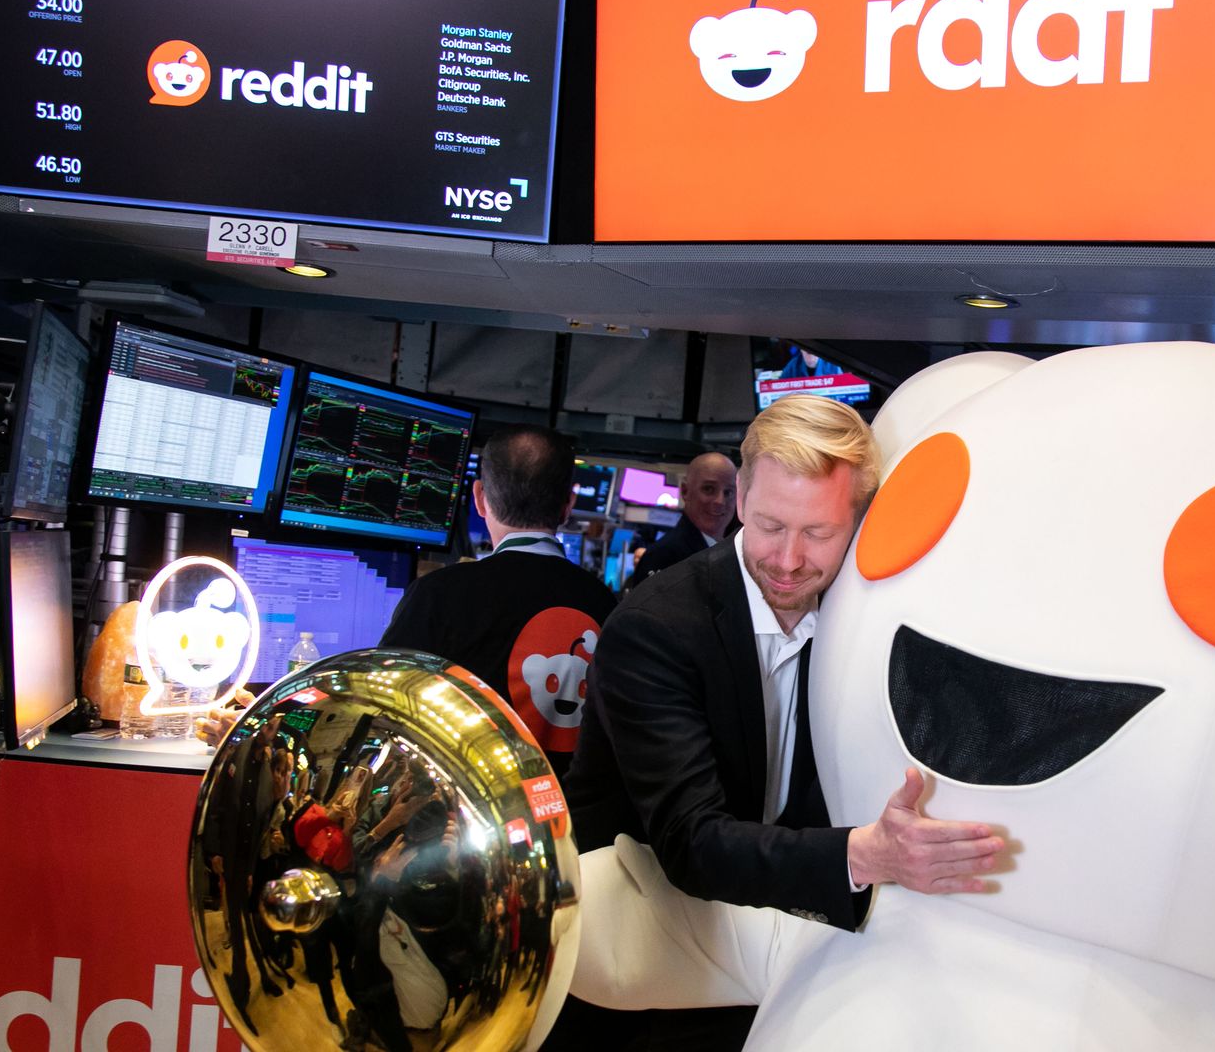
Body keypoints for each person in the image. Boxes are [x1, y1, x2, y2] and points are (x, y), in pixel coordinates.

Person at [559, 396, 1007, 1045]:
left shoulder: (867, 616)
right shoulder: (657, 629)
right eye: (770, 525)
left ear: (858, 519)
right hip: (641, 973)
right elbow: (693, 844)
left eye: (819, 534)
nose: (790, 560)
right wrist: (865, 854)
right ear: (741, 496)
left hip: (785, 966)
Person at [378, 425, 616, 778]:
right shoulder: (609, 605)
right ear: (569, 503)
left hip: (465, 818)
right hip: (575, 823)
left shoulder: (438, 594)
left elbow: (387, 713)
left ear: (479, 497)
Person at [623, 452, 738, 589]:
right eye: (708, 489)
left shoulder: (729, 554)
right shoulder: (663, 557)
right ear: (685, 491)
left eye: (728, 492)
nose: (720, 501)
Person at [778, 348, 843, 379]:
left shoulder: (832, 365)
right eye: (807, 351)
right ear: (801, 350)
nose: (810, 351)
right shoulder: (793, 365)